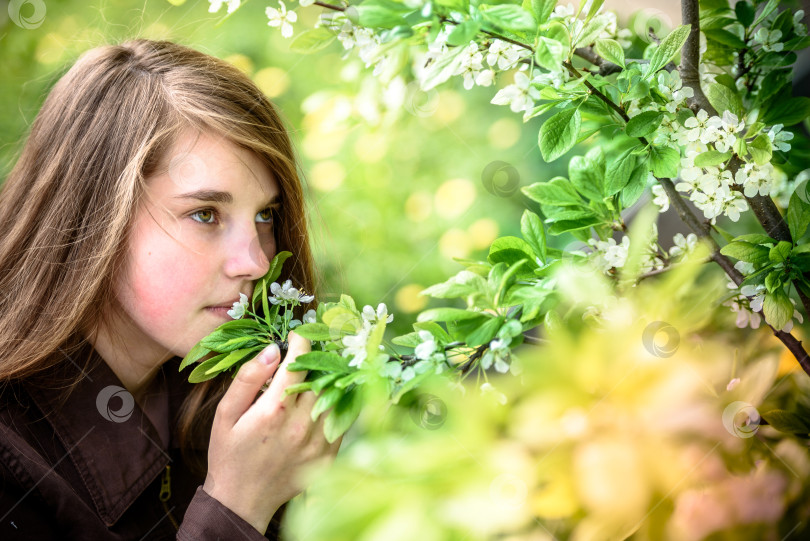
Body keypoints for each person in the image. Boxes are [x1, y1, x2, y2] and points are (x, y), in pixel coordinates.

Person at [0, 38, 341, 539]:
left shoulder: (241, 399)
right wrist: (236, 506)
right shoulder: (12, 462)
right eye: (205, 214)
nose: (256, 262)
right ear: (96, 215)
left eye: (265, 215)